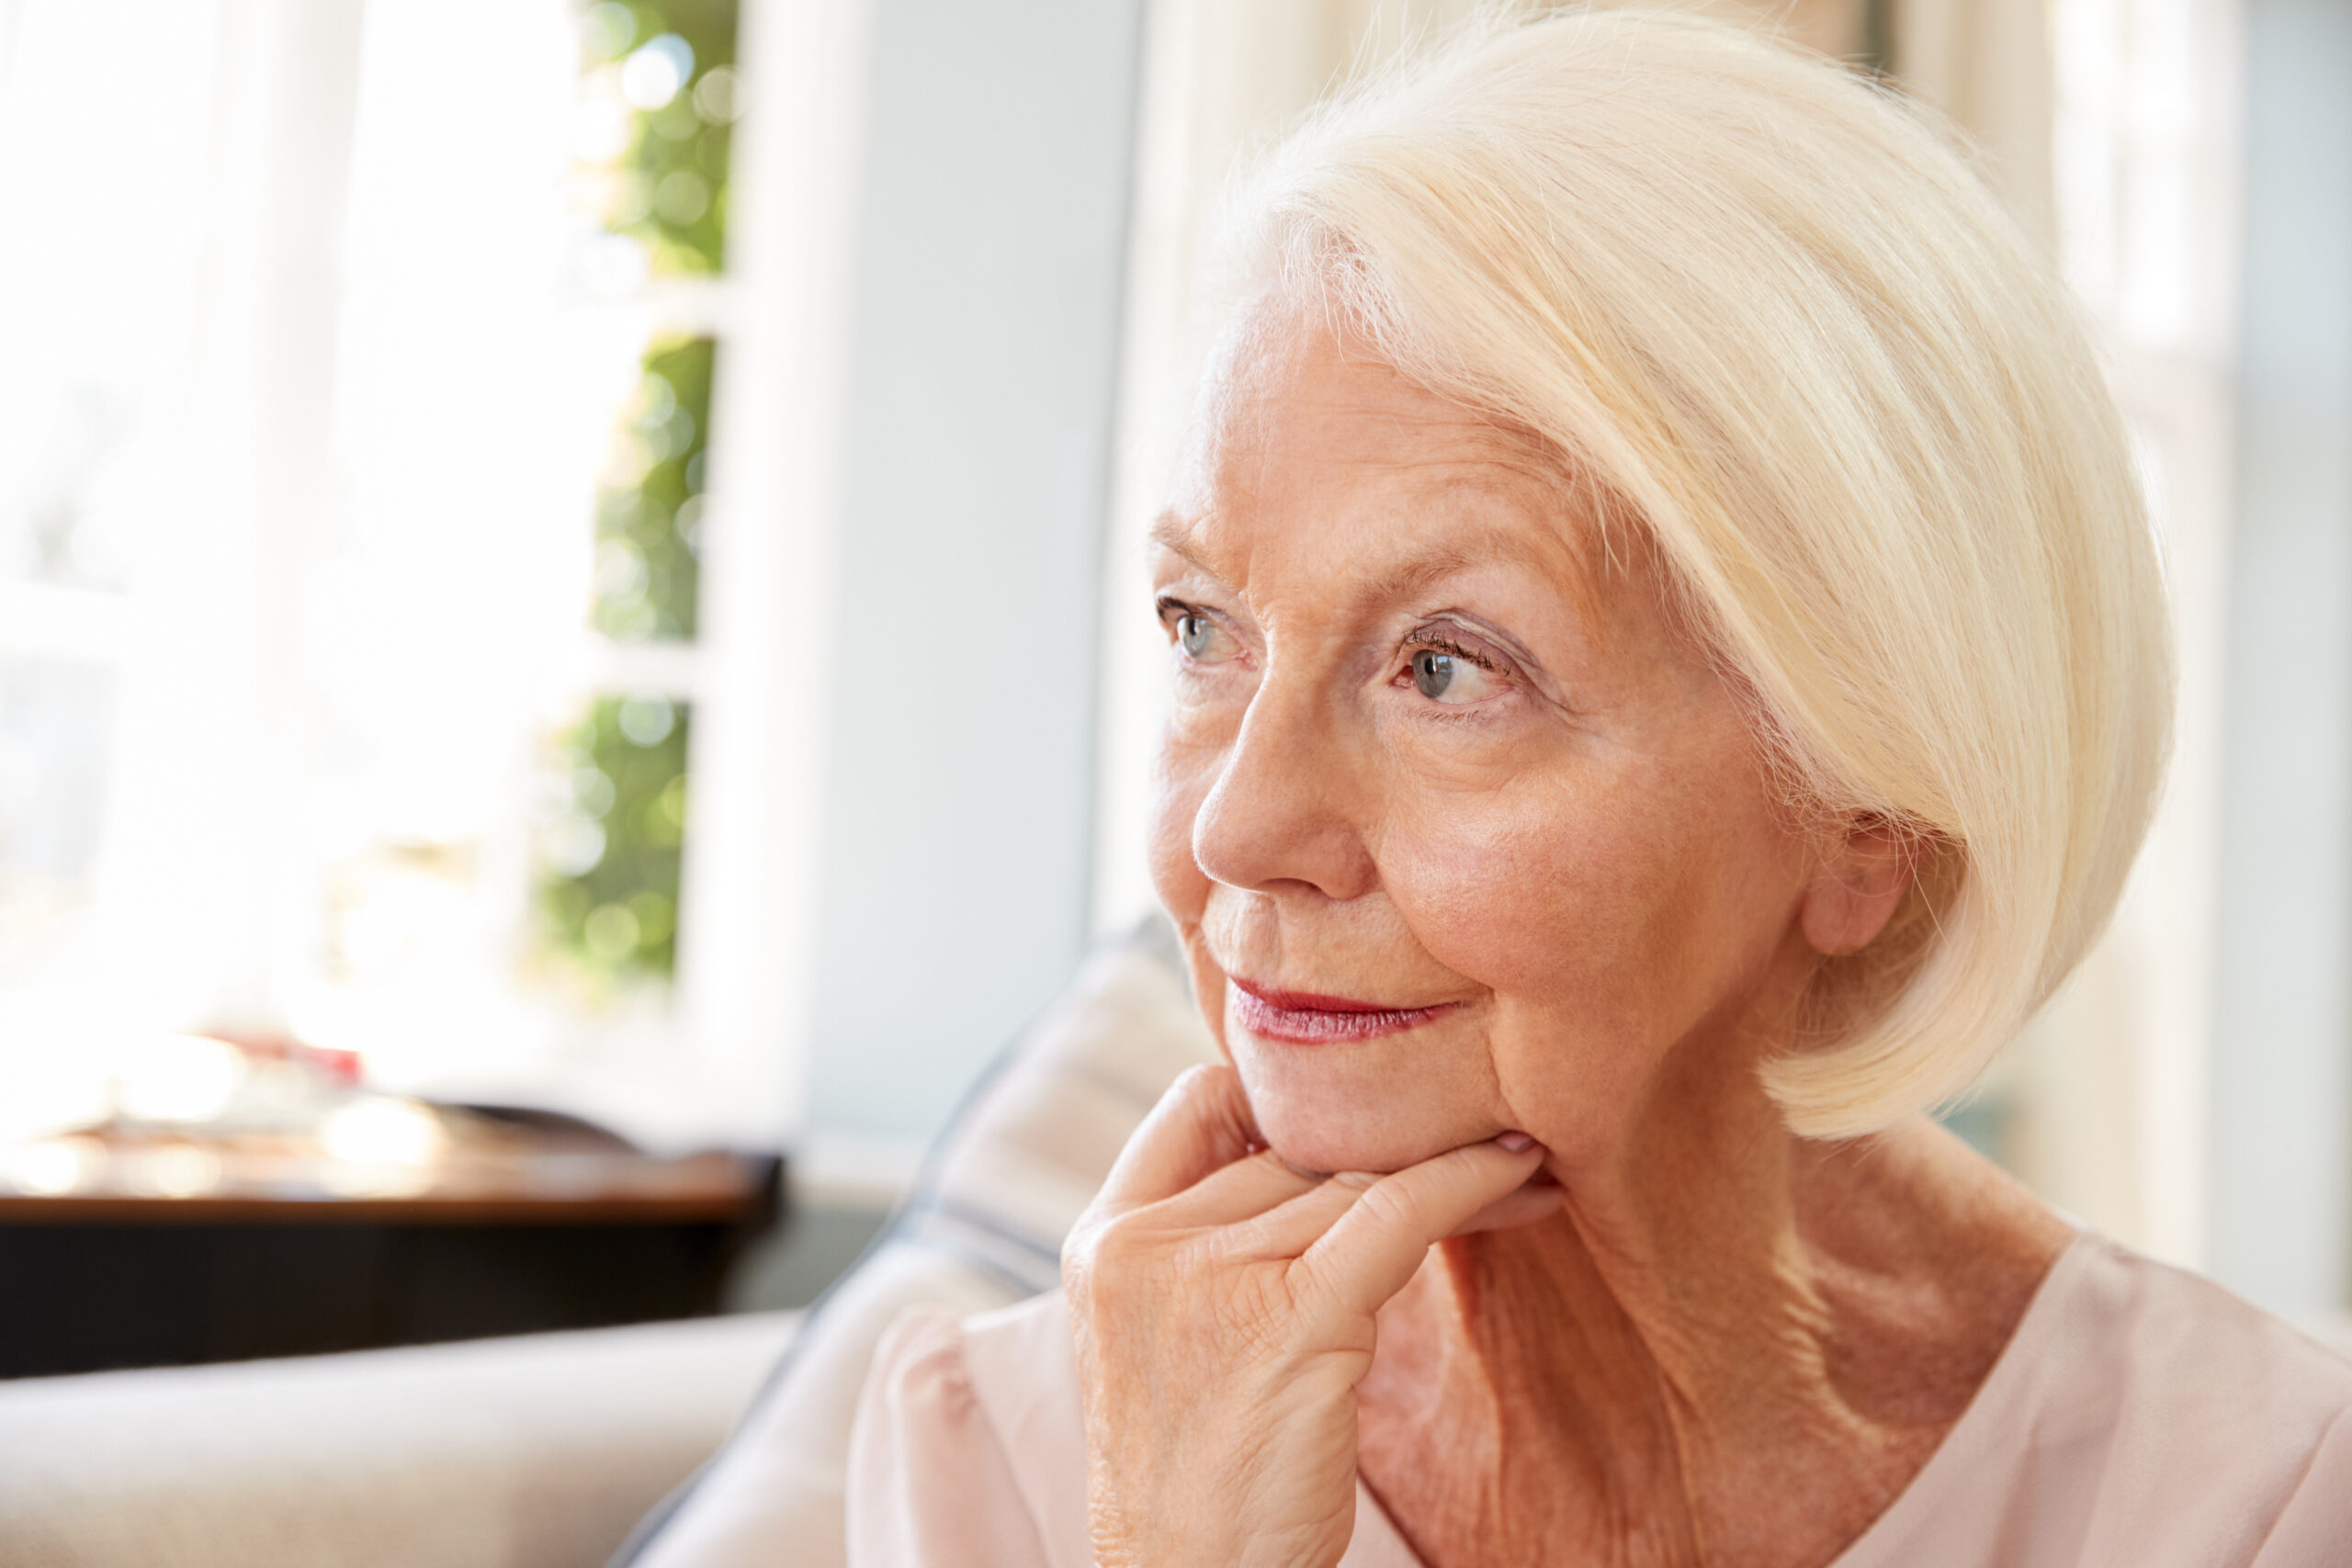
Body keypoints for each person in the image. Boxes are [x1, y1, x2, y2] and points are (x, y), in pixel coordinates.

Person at [846, 10, 2352, 1565]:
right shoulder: (1009, 1455)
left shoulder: (2258, 1505)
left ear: (1869, 822)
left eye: (1448, 669)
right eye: (1202, 630)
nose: (1236, 829)